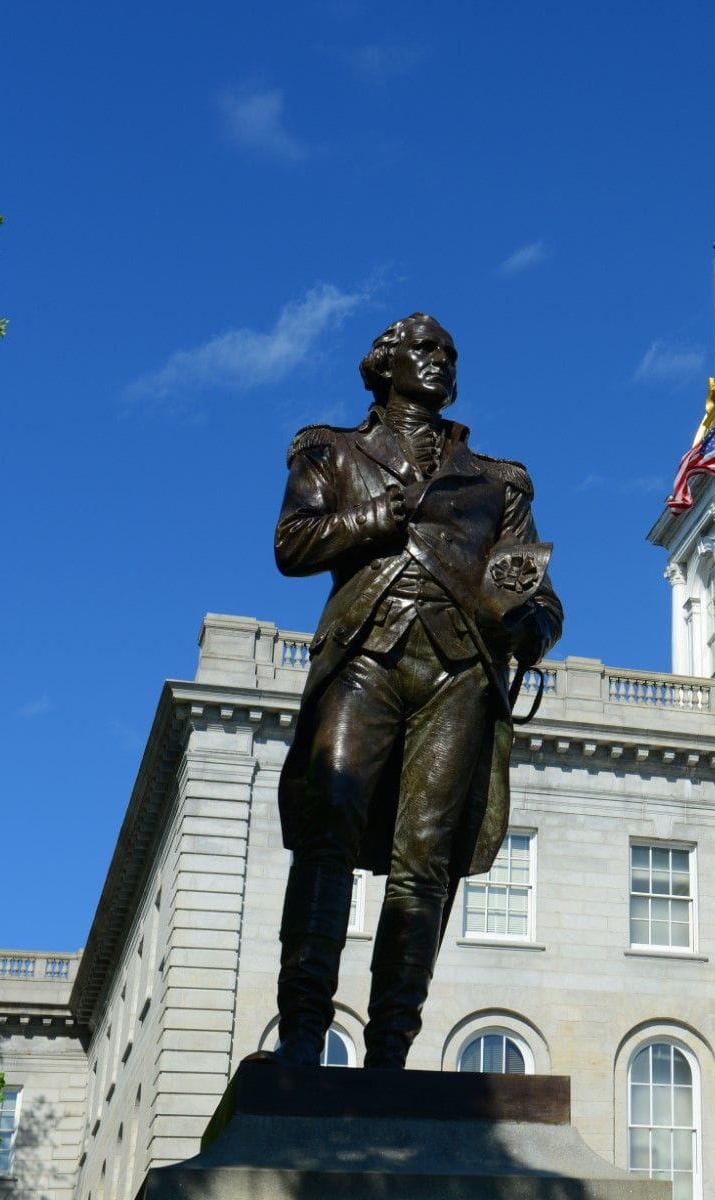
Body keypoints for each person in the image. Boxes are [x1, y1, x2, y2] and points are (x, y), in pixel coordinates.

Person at [270, 312, 562, 1068]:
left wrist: (531, 626)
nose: (439, 361)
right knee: (328, 831)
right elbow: (292, 545)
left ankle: (391, 1047)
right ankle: (302, 1031)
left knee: (426, 856)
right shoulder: (331, 450)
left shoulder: (498, 481)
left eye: (449, 354)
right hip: (364, 656)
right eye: (424, 349)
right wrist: (377, 516)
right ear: (386, 363)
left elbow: (537, 591)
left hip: (458, 671)